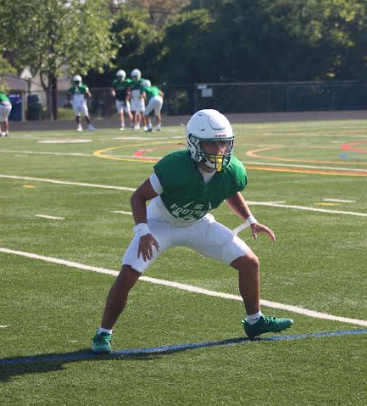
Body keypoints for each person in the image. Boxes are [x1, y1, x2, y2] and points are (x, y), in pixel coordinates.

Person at [91, 109, 293, 354]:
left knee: (250, 262)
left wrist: (250, 220)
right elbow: (139, 196)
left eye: (223, 144)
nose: (219, 151)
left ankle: (254, 321)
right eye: (212, 144)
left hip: (197, 223)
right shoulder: (175, 166)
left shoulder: (232, 170)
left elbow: (229, 190)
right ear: (194, 143)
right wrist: (143, 231)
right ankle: (103, 334)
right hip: (161, 224)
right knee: (128, 274)